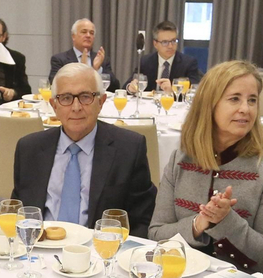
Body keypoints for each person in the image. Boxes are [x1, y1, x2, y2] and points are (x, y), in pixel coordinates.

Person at [147, 60, 263, 278]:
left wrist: (227, 221)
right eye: (235, 98)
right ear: (209, 105)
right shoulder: (180, 161)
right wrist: (199, 223)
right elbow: (156, 235)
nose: (246, 108)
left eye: (252, 100)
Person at [10, 64, 157, 236]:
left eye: (85, 97)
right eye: (66, 98)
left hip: (99, 253)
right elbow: (18, 215)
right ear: (54, 105)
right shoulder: (29, 149)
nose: (76, 107)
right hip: (40, 250)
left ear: (101, 102)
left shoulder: (128, 149)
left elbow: (143, 220)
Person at [49, 18, 120, 91]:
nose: (88, 35)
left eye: (91, 33)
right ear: (73, 36)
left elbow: (115, 87)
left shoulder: (102, 59)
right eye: (84, 32)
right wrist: (82, 70)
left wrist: (97, 70)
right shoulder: (60, 59)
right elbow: (55, 85)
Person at [136, 21, 200, 91]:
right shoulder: (146, 61)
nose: (170, 46)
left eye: (173, 41)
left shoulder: (188, 63)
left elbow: (195, 89)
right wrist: (131, 88)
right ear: (155, 44)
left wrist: (173, 90)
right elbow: (128, 85)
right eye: (165, 42)